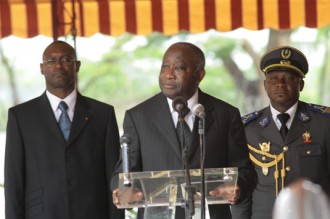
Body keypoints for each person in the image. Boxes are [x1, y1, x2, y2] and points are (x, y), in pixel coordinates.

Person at [111, 42, 257, 219]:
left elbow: (245, 171)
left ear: (199, 75)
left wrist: (238, 186)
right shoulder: (138, 117)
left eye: (178, 68)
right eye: (165, 66)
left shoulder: (226, 115)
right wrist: (124, 190)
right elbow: (122, 172)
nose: (168, 74)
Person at [4, 41, 125, 219]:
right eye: (51, 61)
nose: (58, 65)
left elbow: (114, 177)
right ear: (41, 68)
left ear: (77, 65)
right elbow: (14, 180)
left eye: (66, 59)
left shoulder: (103, 114)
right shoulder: (21, 117)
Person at [231, 46, 330, 219]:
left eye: (289, 78)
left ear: (301, 84)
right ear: (265, 84)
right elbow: (243, 192)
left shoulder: (324, 123)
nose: (280, 84)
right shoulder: (247, 128)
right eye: (273, 78)